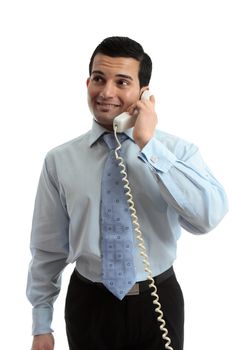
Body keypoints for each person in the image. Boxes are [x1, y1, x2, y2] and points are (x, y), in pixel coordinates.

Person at [27, 36, 228, 350]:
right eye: (99, 79)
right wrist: (41, 323)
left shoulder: (177, 152)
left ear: (144, 92)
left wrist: (149, 145)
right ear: (87, 82)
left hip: (157, 301)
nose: (107, 92)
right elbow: (48, 248)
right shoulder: (59, 160)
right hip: (88, 304)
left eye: (122, 82)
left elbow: (206, 218)